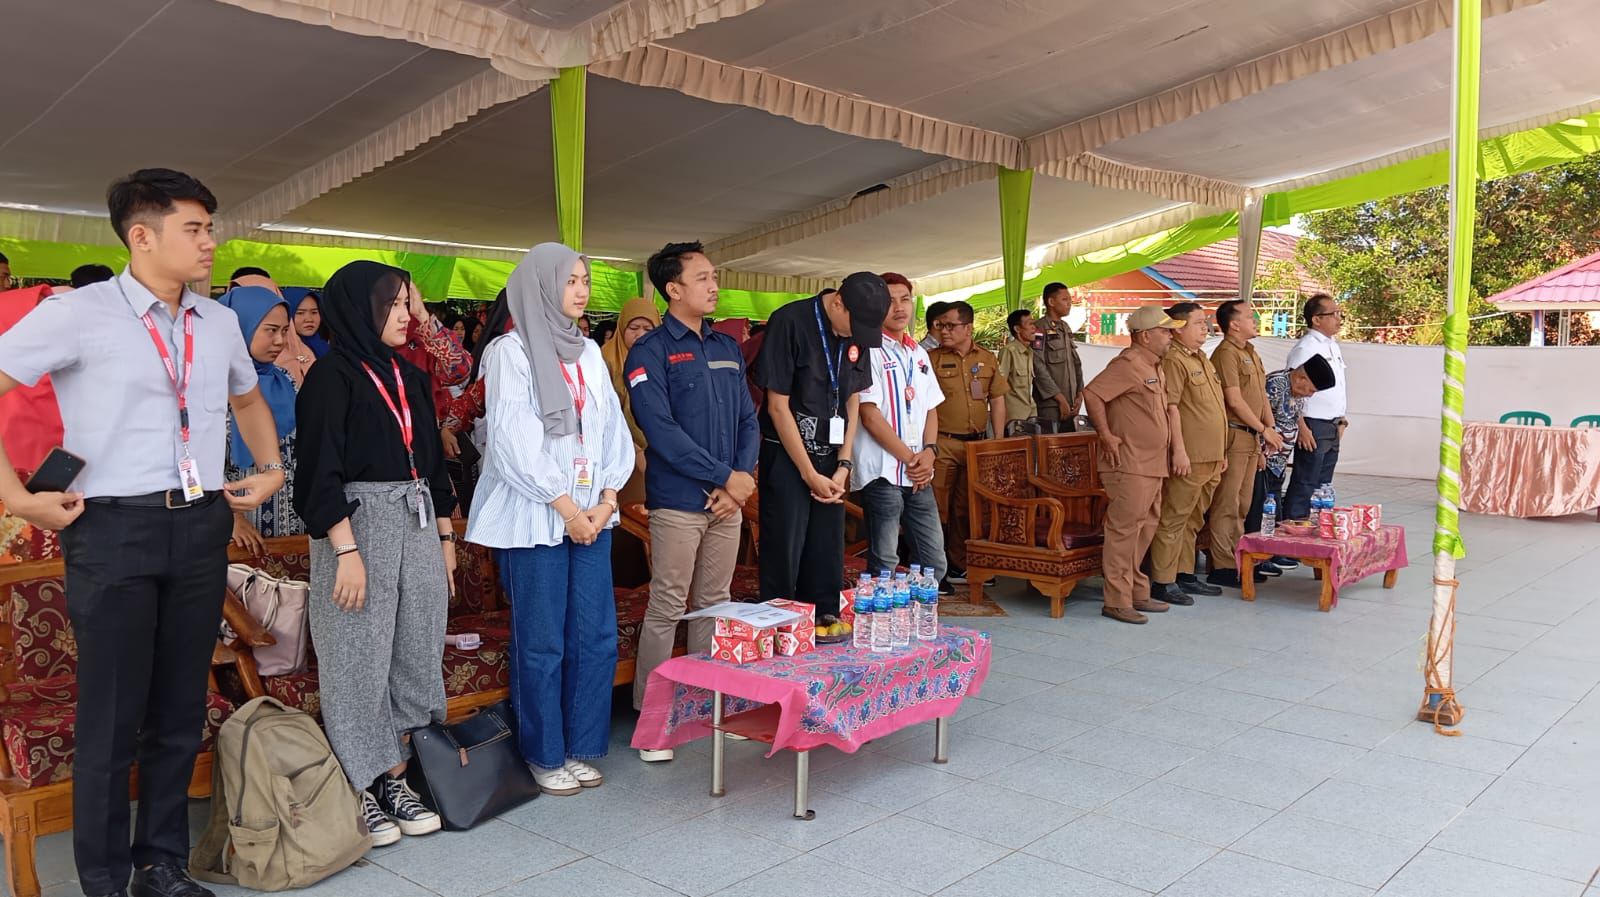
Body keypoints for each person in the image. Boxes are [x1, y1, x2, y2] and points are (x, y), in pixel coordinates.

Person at [0, 168, 286, 897]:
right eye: (194, 229)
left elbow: (248, 399)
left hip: (199, 521)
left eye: (210, 228)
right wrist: (18, 498)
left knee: (180, 704)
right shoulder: (79, 313)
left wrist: (271, 467)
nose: (210, 242)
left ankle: (160, 863)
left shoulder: (217, 321)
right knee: (112, 712)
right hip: (113, 527)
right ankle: (102, 879)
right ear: (142, 236)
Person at [293, 260, 456, 849]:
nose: (407, 315)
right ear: (360, 308)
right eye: (394, 304)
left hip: (417, 519)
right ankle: (361, 779)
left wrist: (445, 538)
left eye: (407, 303)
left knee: (417, 646)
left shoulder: (408, 375)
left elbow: (432, 463)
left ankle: (399, 773)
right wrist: (346, 551)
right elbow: (318, 471)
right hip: (358, 526)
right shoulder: (330, 376)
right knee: (357, 653)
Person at [467, 243, 632, 795]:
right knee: (542, 643)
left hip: (593, 516)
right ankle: (543, 752)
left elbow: (613, 433)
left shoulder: (588, 354)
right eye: (570, 280)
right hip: (538, 518)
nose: (581, 290)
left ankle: (582, 743)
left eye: (585, 280)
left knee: (595, 636)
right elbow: (511, 443)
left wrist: (606, 500)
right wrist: (566, 508)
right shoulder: (510, 352)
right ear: (540, 285)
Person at [625, 242, 759, 761]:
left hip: (726, 501)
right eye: (702, 277)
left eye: (714, 276)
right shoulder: (650, 351)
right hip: (680, 501)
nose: (713, 285)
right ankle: (653, 720)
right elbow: (660, 431)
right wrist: (726, 477)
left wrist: (738, 480)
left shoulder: (726, 345)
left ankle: (703, 705)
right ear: (673, 289)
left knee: (714, 602)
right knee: (668, 604)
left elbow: (748, 419)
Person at [755, 276, 887, 614]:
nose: (856, 334)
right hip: (788, 455)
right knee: (784, 550)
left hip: (832, 458)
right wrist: (808, 473)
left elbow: (853, 398)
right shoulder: (790, 321)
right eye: (854, 325)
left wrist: (844, 464)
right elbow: (777, 406)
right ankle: (780, 627)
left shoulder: (858, 334)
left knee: (827, 551)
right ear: (838, 302)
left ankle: (824, 623)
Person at [1081, 305, 1185, 624]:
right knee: (1124, 531)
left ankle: (1137, 590)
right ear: (1145, 336)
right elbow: (1092, 394)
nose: (1171, 336)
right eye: (1165, 331)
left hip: (1152, 463)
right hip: (1129, 463)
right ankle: (1116, 600)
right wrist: (1106, 435)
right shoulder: (1127, 365)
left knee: (1145, 528)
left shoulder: (1154, 366)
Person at [853, 272, 945, 585]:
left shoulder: (918, 353)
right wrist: (911, 459)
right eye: (889, 301)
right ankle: (882, 615)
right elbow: (869, 415)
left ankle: (918, 613)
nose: (899, 307)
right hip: (884, 470)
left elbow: (931, 408)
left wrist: (929, 452)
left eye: (905, 299)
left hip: (919, 470)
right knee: (885, 562)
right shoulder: (867, 350)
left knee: (934, 562)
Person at [1147, 302, 1226, 605]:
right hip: (1189, 456)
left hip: (1210, 455)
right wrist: (1178, 451)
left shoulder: (1201, 358)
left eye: (1206, 322)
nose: (1205, 327)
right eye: (1198, 322)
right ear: (1178, 328)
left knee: (1194, 518)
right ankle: (1163, 580)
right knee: (1174, 517)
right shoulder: (1174, 360)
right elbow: (1171, 408)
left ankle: (1184, 573)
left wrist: (1221, 451)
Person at [218, 286, 304, 553]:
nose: (280, 341)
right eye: (270, 330)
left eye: (285, 331)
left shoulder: (285, 380)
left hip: (292, 520)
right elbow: (198, 460)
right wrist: (231, 518)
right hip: (239, 526)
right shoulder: (213, 386)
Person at [1205, 299, 1284, 589]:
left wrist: (1269, 429)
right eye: (1251, 316)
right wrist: (1263, 429)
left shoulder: (1250, 351)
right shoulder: (1226, 353)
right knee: (1226, 502)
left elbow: (1261, 395)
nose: (1256, 320)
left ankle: (1237, 558)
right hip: (1236, 434)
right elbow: (1234, 400)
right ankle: (1222, 565)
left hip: (1252, 437)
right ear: (1234, 324)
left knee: (1242, 504)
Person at [929, 300, 1007, 589]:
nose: (944, 331)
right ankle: (934, 568)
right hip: (942, 442)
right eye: (941, 326)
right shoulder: (931, 359)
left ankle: (959, 564)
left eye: (951, 326)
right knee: (937, 507)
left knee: (965, 508)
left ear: (968, 328)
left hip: (975, 445)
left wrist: (997, 442)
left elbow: (997, 399)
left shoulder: (987, 359)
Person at [1247, 354, 1336, 550]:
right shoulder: (1276, 384)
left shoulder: (1296, 392)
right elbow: (1256, 417)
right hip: (1264, 460)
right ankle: (1259, 553)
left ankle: (1274, 550)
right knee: (1260, 510)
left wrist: (1302, 428)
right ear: (1301, 378)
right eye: (1311, 390)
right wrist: (1258, 452)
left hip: (1278, 463)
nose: (1310, 395)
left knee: (1274, 508)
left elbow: (1295, 416)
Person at [1284, 293, 1348, 519]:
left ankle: (1314, 526)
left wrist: (1341, 421)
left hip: (1332, 424)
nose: (1338, 319)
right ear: (1316, 319)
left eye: (1339, 313)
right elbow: (1291, 388)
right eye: (1333, 314)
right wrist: (1301, 426)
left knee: (1323, 485)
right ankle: (1293, 528)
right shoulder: (1306, 347)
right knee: (1305, 481)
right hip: (1312, 424)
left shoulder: (1332, 346)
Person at [600, 296, 661, 507]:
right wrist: (633, 449)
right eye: (633, 328)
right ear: (621, 327)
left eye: (648, 328)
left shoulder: (664, 359)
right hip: (619, 452)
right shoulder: (605, 359)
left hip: (660, 450)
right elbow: (604, 413)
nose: (640, 334)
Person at [1034, 282, 1086, 433]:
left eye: (1070, 300)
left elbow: (1076, 363)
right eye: (1064, 299)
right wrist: (1059, 397)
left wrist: (1080, 394)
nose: (1069, 303)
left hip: (1071, 401)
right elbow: (1037, 366)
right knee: (1051, 443)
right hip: (1050, 404)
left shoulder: (1065, 327)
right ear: (1051, 302)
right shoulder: (1039, 329)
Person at [997, 308, 1038, 436]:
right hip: (1014, 419)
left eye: (1034, 324)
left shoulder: (1030, 352)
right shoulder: (1009, 351)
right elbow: (999, 386)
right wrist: (1002, 416)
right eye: (1030, 324)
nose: (1034, 328)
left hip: (1031, 414)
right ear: (1017, 329)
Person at [287, 288, 331, 358]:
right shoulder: (279, 352)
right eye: (300, 313)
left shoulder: (326, 348)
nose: (309, 319)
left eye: (314, 312)